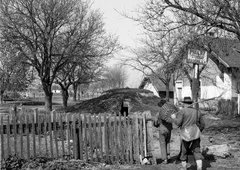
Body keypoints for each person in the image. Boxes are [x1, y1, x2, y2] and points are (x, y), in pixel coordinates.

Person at [170, 101, 205, 170]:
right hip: (195, 134)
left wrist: (174, 118)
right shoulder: (197, 112)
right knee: (197, 151)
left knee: (184, 151)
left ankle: (184, 167)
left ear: (185, 104)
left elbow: (178, 123)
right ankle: (199, 167)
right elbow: (203, 124)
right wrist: (198, 130)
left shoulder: (182, 111)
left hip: (185, 134)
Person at [153, 99, 178, 164]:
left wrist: (156, 125)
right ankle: (168, 155)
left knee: (162, 144)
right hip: (169, 129)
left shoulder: (159, 113)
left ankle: (164, 159)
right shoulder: (170, 112)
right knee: (168, 142)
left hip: (162, 129)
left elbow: (155, 122)